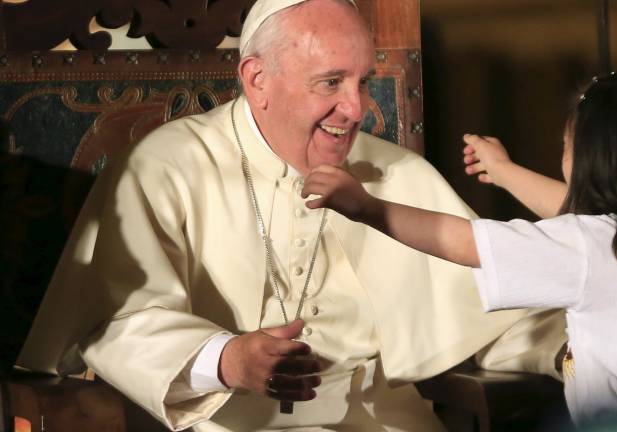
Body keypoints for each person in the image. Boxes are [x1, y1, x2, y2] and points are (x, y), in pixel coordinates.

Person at [16, 0, 567, 430]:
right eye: (330, 83)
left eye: (362, 81)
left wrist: (569, 348)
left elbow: (491, 315)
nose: (356, 109)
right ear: (258, 80)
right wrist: (227, 359)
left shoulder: (394, 176)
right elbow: (114, 321)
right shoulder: (167, 166)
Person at [302, 72, 617, 427]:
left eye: (567, 147)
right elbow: (576, 217)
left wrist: (367, 207)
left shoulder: (588, 248)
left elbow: (464, 241)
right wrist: (504, 172)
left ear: (593, 161)